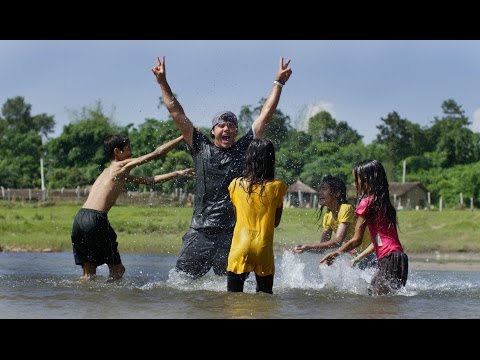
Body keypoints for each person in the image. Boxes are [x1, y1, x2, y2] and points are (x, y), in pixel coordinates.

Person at [152, 56, 292, 278]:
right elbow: (176, 112)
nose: (227, 128)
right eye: (221, 125)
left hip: (233, 234)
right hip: (201, 230)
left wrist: (279, 83)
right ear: (213, 131)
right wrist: (162, 82)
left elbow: (265, 116)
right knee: (181, 285)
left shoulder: (245, 148)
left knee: (230, 290)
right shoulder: (200, 147)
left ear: (236, 131)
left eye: (231, 125)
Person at [71, 134, 193, 281]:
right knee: (118, 270)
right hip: (95, 218)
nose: (132, 152)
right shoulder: (120, 166)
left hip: (79, 218)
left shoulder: (110, 172)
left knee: (88, 274)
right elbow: (157, 153)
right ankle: (111, 302)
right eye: (128, 149)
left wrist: (177, 173)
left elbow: (149, 181)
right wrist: (183, 136)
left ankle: (85, 301)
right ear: (117, 152)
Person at [320, 160, 408, 295]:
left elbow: (357, 240)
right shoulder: (384, 203)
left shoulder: (366, 203)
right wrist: (357, 258)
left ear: (366, 181)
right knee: (385, 302)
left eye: (356, 180)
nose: (355, 184)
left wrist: (336, 253)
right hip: (400, 258)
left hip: (388, 259)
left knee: (377, 298)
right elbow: (378, 241)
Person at [226, 139, 288, 294]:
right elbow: (275, 222)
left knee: (233, 300)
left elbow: (237, 216)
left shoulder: (235, 184)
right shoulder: (277, 187)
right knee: (265, 300)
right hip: (263, 249)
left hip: (240, 248)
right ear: (271, 160)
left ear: (248, 158)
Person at [292, 175, 375, 270]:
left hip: (371, 254)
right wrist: (303, 248)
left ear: (337, 193)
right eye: (320, 189)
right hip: (357, 256)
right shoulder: (328, 216)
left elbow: (338, 241)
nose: (320, 193)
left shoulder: (345, 208)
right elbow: (322, 246)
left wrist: (307, 247)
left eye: (324, 189)